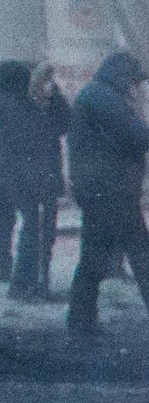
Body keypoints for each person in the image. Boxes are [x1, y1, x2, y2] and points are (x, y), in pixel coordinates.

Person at [64, 50, 149, 336]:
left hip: (100, 190)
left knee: (94, 257)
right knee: (141, 255)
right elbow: (133, 137)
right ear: (123, 77)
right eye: (134, 82)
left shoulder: (97, 94)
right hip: (111, 192)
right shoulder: (106, 99)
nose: (136, 88)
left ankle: (80, 321)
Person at [0, 60, 69, 301]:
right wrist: (53, 98)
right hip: (32, 177)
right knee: (35, 227)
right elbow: (58, 127)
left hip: (15, 176)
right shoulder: (21, 106)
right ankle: (25, 283)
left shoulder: (13, 104)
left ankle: (13, 276)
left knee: (10, 224)